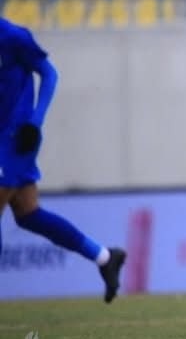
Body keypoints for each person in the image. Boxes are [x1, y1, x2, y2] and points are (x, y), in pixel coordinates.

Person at [0, 17, 126, 303]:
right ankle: (105, 257)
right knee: (28, 214)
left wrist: (35, 122)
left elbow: (49, 73)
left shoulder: (13, 37)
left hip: (16, 140)